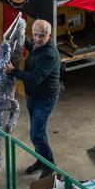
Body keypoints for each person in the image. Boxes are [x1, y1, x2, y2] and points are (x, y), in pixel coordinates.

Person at [5, 19, 61, 174]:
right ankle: (40, 160)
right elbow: (33, 47)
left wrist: (13, 71)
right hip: (33, 96)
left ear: (49, 36)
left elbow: (35, 78)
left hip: (45, 99)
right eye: (35, 34)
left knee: (36, 134)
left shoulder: (49, 55)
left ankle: (49, 166)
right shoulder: (38, 46)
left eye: (41, 35)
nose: (37, 38)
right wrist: (20, 39)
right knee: (38, 133)